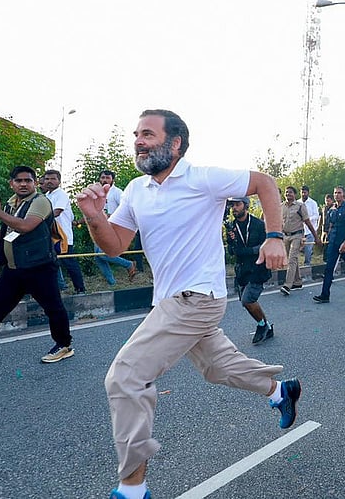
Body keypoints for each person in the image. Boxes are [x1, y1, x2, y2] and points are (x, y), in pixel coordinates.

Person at [76, 109, 297, 499]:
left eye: (148, 134)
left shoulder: (202, 178)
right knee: (217, 367)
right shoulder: (136, 190)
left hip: (197, 298)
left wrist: (275, 235)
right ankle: (280, 391)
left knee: (126, 378)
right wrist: (95, 217)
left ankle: (133, 489)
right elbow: (115, 245)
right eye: (136, 134)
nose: (139, 141)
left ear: (175, 143)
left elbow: (264, 182)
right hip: (170, 300)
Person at [0, 166, 73, 374]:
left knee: (53, 308)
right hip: (14, 269)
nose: (23, 184)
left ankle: (64, 345)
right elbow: (7, 229)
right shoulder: (12, 203)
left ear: (35, 183)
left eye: (28, 180)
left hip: (39, 267)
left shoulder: (40, 201)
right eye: (19, 180)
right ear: (11, 183)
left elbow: (24, 226)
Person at [225, 197, 274, 344]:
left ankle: (262, 325)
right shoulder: (232, 227)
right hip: (243, 270)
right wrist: (231, 241)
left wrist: (245, 251)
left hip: (258, 268)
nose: (234, 208)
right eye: (232, 205)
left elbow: (265, 246)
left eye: (237, 204)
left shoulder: (258, 224)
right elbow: (232, 251)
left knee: (248, 300)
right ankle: (267, 327)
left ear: (246, 206)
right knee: (247, 302)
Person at [313, 186, 345, 303]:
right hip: (333, 242)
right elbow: (330, 225)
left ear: (343, 195)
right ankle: (325, 295)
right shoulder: (332, 209)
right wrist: (326, 237)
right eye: (335, 193)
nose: (337, 195)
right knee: (329, 268)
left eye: (339, 193)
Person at [42, 169, 87, 294]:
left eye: (53, 179)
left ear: (59, 181)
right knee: (50, 263)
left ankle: (80, 289)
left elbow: (57, 212)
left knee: (69, 262)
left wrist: (38, 220)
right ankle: (56, 288)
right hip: (51, 235)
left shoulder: (61, 194)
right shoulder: (47, 196)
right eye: (47, 179)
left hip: (63, 236)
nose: (49, 181)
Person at [93, 170, 137, 286]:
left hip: (112, 227)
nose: (105, 180)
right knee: (98, 257)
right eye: (103, 177)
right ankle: (112, 283)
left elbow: (126, 207)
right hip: (99, 227)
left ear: (112, 180)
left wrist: (112, 216)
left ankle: (129, 264)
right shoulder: (98, 193)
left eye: (107, 178)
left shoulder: (117, 192)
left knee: (102, 254)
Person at [279, 186, 320, 296]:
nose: (288, 194)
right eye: (286, 192)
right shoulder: (281, 206)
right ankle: (297, 281)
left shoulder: (300, 206)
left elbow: (308, 222)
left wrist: (316, 237)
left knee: (292, 259)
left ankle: (287, 285)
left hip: (297, 235)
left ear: (295, 194)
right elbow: (279, 222)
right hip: (285, 236)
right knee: (292, 259)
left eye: (290, 192)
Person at [300, 185, 319, 267]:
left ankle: (307, 264)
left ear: (308, 193)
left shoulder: (313, 203)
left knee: (308, 248)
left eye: (305, 192)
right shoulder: (297, 203)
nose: (303, 194)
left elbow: (316, 215)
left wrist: (307, 219)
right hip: (300, 230)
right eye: (302, 192)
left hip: (310, 230)